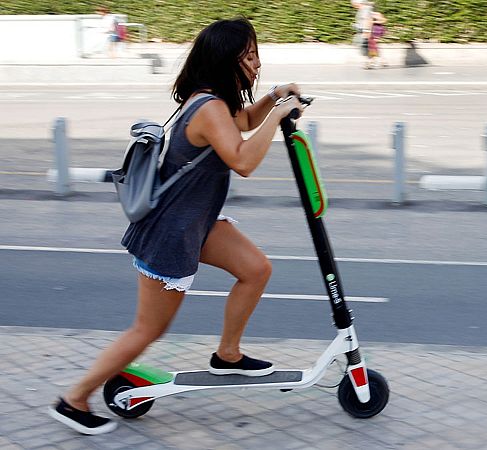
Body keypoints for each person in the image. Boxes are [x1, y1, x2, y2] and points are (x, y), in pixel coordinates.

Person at [48, 18, 304, 435]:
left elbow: (243, 122)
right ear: (226, 60)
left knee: (256, 269)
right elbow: (243, 161)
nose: (257, 64)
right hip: (172, 230)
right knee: (148, 329)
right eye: (249, 56)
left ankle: (228, 355)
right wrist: (278, 115)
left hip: (197, 220)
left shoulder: (212, 101)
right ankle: (73, 399)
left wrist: (274, 97)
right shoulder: (209, 108)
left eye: (257, 55)